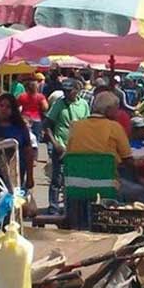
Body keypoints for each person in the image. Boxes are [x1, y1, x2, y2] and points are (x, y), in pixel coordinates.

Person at [44, 79, 90, 215]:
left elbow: (86, 125)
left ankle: (71, 207)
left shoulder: (83, 104)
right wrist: (55, 144)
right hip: (61, 147)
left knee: (74, 179)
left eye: (70, 91)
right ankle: (53, 207)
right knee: (57, 179)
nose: (67, 93)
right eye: (65, 91)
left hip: (77, 148)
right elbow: (47, 125)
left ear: (77, 90)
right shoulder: (59, 104)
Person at [0, 93, 35, 189]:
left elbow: (28, 152)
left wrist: (30, 176)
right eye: (1, 106)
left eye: (8, 107)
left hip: (15, 173)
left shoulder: (20, 128)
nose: (4, 109)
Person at [18, 77, 49, 145]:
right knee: (36, 137)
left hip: (25, 118)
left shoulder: (22, 96)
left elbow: (16, 106)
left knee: (25, 136)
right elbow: (45, 107)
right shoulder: (40, 97)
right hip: (36, 118)